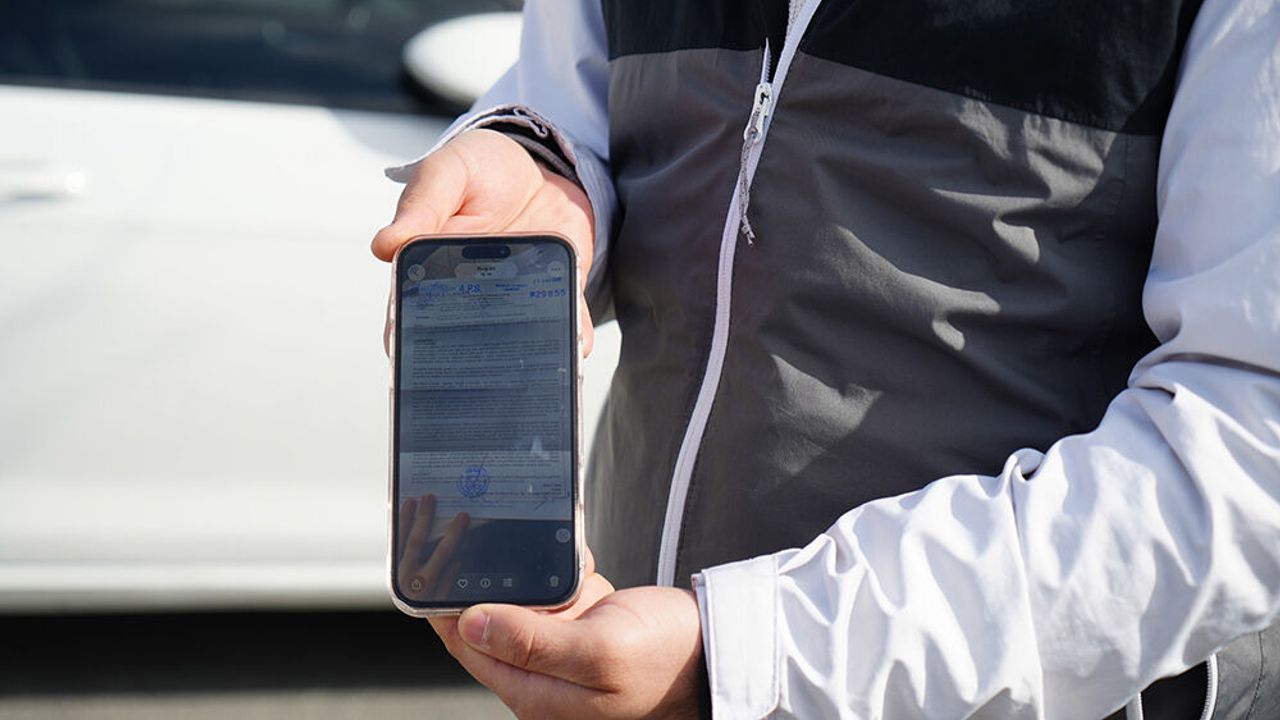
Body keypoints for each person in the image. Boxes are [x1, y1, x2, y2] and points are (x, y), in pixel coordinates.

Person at [371, 1, 1280, 717]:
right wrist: (542, 162)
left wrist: (757, 658)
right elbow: (574, 90)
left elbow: (1248, 444)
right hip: (641, 637)